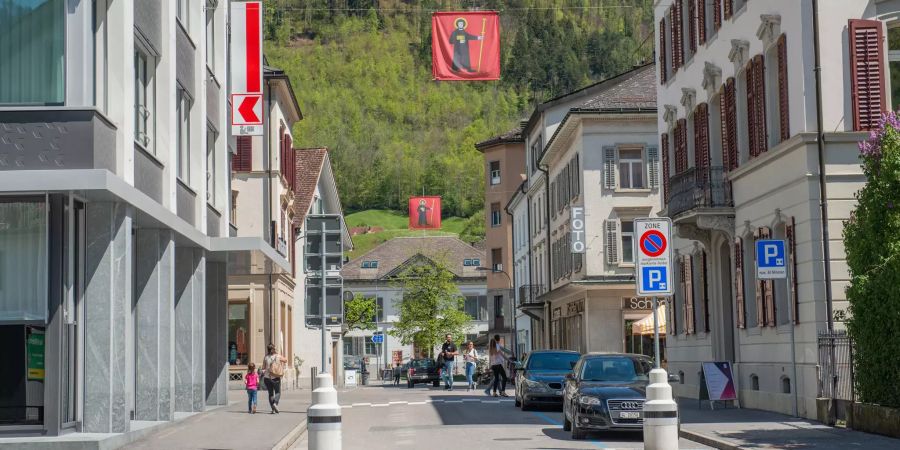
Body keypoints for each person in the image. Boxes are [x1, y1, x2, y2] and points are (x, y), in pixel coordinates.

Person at [262, 343, 287, 413]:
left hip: (267, 378)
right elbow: (285, 360)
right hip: (276, 377)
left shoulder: (266, 357)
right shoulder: (278, 356)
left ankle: (273, 409)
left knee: (270, 393)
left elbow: (263, 367)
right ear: (274, 349)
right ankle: (275, 403)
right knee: (278, 392)